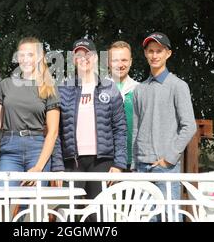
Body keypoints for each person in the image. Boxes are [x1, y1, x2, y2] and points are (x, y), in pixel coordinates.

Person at [52, 38, 127, 221]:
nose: (84, 58)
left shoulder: (109, 88)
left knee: (98, 216)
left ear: (95, 58)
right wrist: (58, 167)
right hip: (72, 162)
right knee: (68, 215)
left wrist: (118, 164)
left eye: (88, 54)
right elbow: (56, 132)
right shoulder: (62, 88)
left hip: (101, 161)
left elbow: (120, 129)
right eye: (79, 55)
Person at [133, 32, 197, 221]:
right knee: (144, 218)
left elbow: (189, 126)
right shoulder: (139, 89)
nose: (154, 55)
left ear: (168, 54)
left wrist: (169, 158)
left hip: (166, 167)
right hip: (141, 166)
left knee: (170, 217)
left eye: (159, 51)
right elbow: (136, 128)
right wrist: (134, 162)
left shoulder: (179, 86)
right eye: (150, 51)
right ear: (145, 54)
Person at [0, 37, 60, 187]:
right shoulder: (6, 84)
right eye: (22, 55)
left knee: (33, 205)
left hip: (37, 149)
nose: (25, 59)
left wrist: (39, 167)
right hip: (9, 149)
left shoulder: (49, 87)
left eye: (30, 55)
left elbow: (53, 132)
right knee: (2, 199)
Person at [108, 41, 139, 170]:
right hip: (106, 161)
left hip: (133, 161)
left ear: (131, 62)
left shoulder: (139, 89)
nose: (120, 65)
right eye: (115, 60)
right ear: (108, 63)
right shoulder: (97, 89)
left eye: (124, 60)